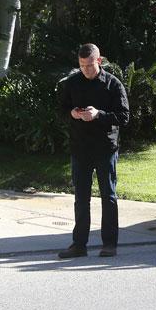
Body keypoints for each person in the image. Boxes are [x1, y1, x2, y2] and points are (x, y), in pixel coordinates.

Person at [57, 43, 129, 259]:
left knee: (108, 196)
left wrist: (99, 114)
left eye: (89, 65)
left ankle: (109, 244)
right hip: (80, 148)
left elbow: (124, 117)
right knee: (81, 197)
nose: (85, 70)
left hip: (105, 148)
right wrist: (72, 113)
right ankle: (79, 244)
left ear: (99, 61)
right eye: (81, 66)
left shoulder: (113, 84)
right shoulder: (72, 83)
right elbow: (59, 110)